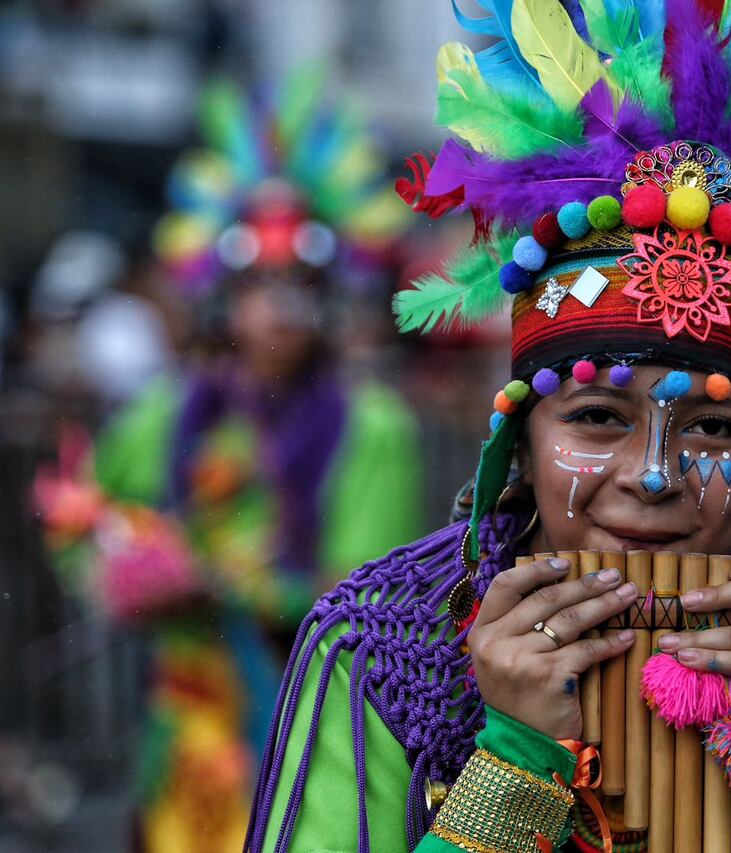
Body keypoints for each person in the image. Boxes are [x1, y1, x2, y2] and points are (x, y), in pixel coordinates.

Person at [246, 1, 731, 851]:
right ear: (520, 441)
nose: (653, 474)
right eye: (598, 416)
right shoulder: (381, 649)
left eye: (714, 427)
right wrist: (514, 767)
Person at [38, 72, 425, 853]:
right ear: (225, 296)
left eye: (300, 283)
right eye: (259, 283)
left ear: (330, 295)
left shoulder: (373, 425)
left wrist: (224, 585)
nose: (280, 307)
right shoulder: (168, 412)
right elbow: (77, 511)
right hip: (187, 724)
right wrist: (123, 570)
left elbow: (367, 591)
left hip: (315, 717)